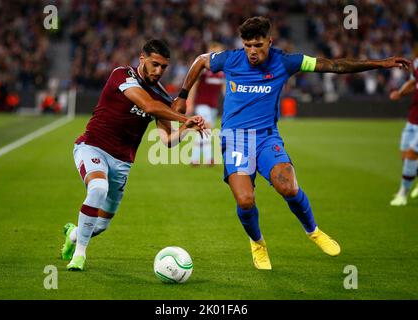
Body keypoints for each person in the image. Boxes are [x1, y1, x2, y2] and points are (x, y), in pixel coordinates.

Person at [173, 16, 410, 270]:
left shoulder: (285, 61)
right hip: (235, 139)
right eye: (248, 45)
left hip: (266, 137)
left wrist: (380, 63)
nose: (252, 51)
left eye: (258, 45)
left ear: (270, 41)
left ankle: (313, 230)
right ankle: (258, 243)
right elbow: (199, 61)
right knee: (245, 200)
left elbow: (334, 66)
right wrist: (183, 95)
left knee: (287, 186)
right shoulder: (230, 59)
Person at [61, 39, 205, 271]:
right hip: (92, 147)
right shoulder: (122, 75)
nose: (158, 71)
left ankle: (74, 234)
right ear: (142, 59)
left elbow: (167, 141)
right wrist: (182, 118)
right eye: (154, 64)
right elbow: (148, 106)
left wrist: (187, 129)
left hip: (122, 162)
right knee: (98, 188)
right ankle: (79, 256)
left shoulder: (162, 97)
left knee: (100, 226)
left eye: (163, 67)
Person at [187, 42, 226, 165]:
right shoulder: (203, 68)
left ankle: (195, 159)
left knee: (202, 131)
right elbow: (194, 86)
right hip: (202, 104)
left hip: (213, 106)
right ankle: (209, 158)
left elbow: (225, 90)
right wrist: (190, 103)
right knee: (207, 128)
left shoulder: (222, 71)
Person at [389, 58, 418, 206]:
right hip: (413, 118)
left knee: (412, 153)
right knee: (405, 155)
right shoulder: (417, 62)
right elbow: (414, 82)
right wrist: (400, 93)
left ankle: (403, 194)